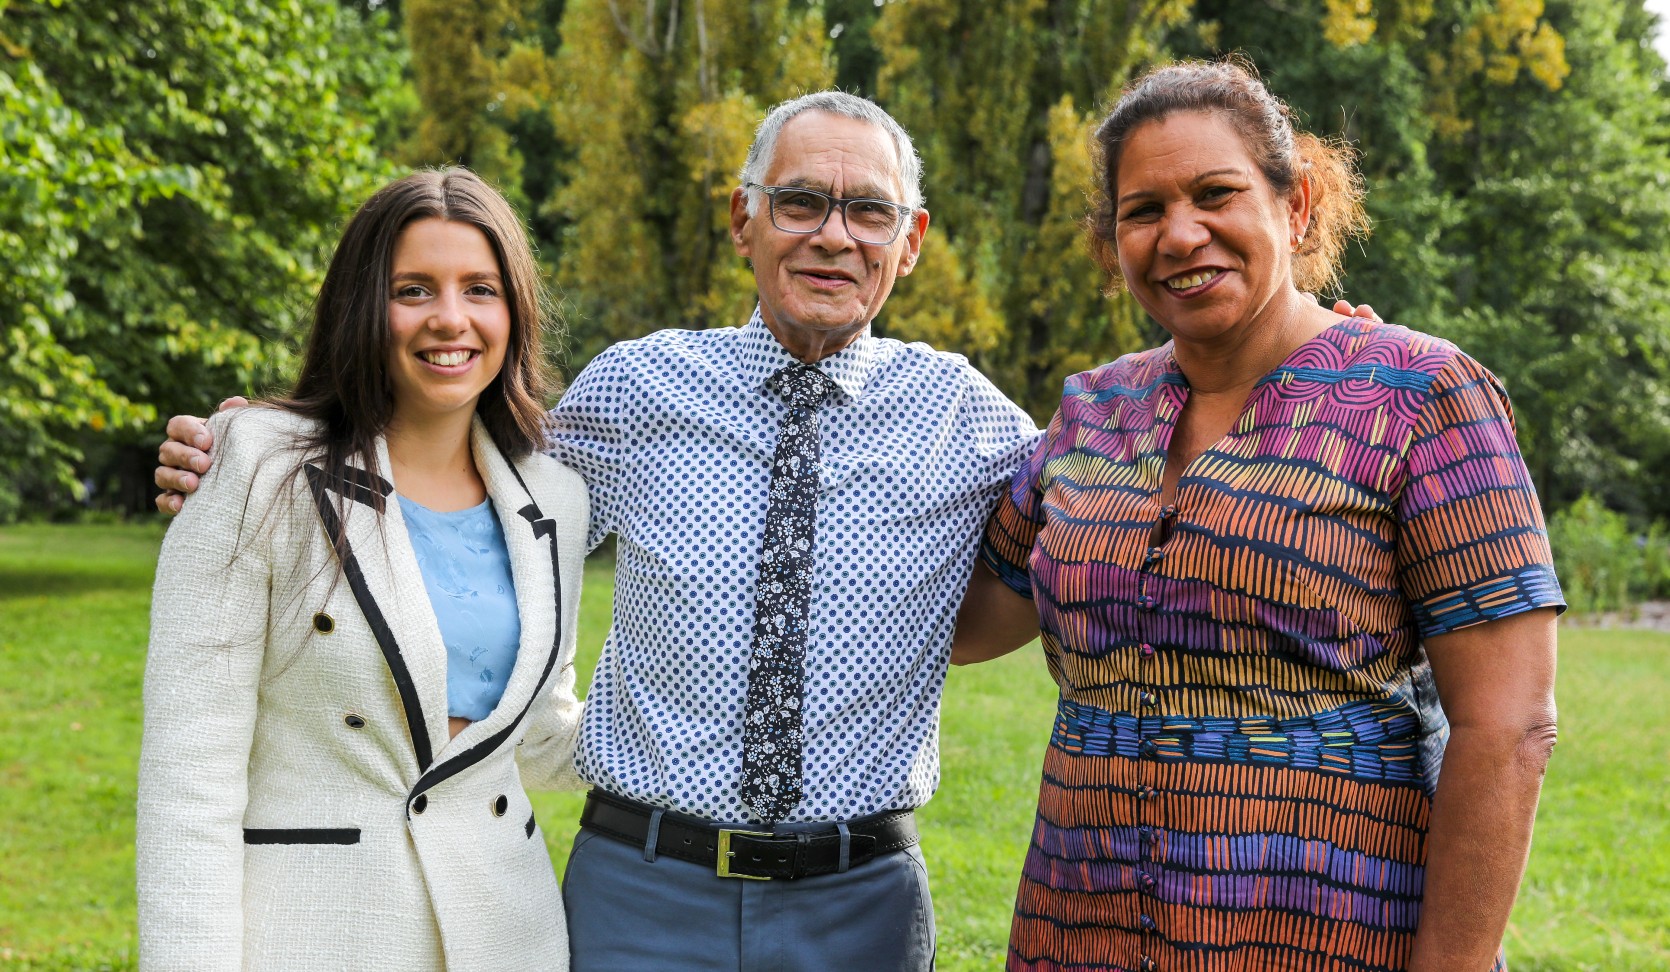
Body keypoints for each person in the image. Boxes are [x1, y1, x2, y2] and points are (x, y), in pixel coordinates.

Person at [152, 91, 1378, 970]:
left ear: (912, 241)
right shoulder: (632, 393)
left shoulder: (978, 423)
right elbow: (455, 482)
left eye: (865, 210)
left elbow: (1145, 460)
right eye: (798, 201)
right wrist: (270, 442)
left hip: (859, 903)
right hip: (637, 891)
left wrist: (1311, 348)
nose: (829, 235)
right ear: (742, 221)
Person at [952, 59, 1564, 972]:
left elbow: (1509, 728)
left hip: (1328, 933)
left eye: (1215, 193)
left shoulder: (1419, 396)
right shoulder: (1094, 410)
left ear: (1297, 205)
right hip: (1080, 931)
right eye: (1143, 210)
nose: (1180, 234)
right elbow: (961, 624)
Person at [137, 168, 589, 970]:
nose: (451, 318)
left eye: (479, 288)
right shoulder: (253, 467)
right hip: (320, 933)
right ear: (361, 305)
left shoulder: (552, 499)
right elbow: (188, 783)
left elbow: (541, 735)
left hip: (508, 935)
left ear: (513, 312)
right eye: (413, 289)